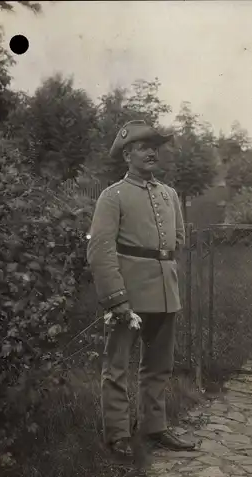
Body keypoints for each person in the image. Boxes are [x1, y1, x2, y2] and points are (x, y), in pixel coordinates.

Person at [87, 120, 198, 458]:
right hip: (129, 296)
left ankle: (154, 427)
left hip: (166, 292)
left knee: (158, 365)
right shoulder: (113, 196)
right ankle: (118, 434)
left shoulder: (169, 195)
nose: (151, 152)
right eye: (141, 147)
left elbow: (177, 242)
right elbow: (100, 250)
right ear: (126, 155)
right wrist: (116, 297)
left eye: (154, 147)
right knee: (117, 365)